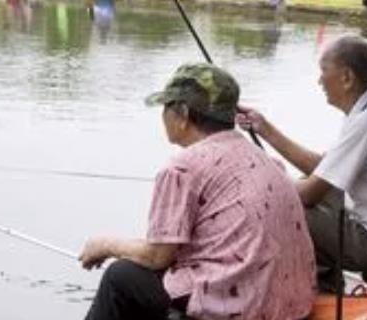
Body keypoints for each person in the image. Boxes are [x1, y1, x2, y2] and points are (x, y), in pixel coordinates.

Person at [79, 63, 316, 320]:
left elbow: (157, 256)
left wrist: (104, 245)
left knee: (121, 276)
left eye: (166, 107)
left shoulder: (183, 168)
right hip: (294, 307)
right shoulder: (266, 160)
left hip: (244, 310)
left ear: (182, 114)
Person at [236, 35, 367, 291]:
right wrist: (265, 128)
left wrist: (263, 179)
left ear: (347, 78)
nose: (319, 81)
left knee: (288, 210)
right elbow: (324, 170)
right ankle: (323, 292)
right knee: (303, 192)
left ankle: (317, 297)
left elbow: (309, 196)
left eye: (324, 71)